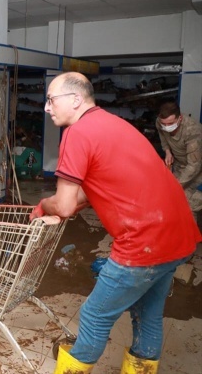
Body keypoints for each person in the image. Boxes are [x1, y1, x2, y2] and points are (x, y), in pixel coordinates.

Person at [29, 72, 200, 374]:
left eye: (51, 99)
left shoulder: (77, 133)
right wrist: (75, 202)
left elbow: (65, 204)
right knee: (147, 315)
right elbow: (100, 185)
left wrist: (44, 205)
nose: (46, 107)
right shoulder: (115, 124)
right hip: (179, 234)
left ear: (76, 99)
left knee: (94, 315)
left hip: (143, 242)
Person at [156, 101, 202, 220]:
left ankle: (192, 236)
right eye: (164, 124)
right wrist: (167, 151)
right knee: (174, 199)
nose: (166, 127)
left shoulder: (192, 130)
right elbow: (162, 135)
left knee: (188, 201)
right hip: (181, 164)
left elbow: (194, 166)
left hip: (198, 168)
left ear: (180, 118)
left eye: (170, 123)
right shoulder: (160, 122)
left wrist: (175, 185)